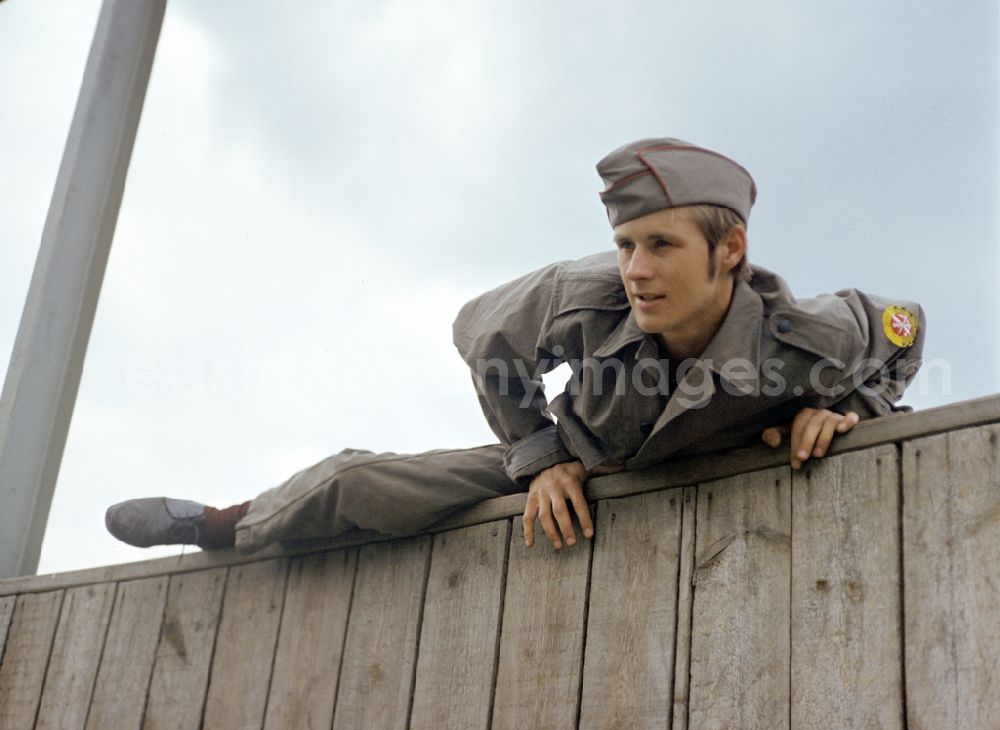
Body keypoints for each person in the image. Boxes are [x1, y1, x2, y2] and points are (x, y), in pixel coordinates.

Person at [106, 137, 924, 553]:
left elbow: (906, 329)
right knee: (357, 483)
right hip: (581, 451)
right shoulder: (587, 293)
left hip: (713, 465)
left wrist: (849, 403)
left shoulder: (806, 332)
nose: (636, 270)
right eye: (626, 244)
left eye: (662, 246)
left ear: (731, 249)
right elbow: (483, 335)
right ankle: (218, 525)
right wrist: (539, 454)